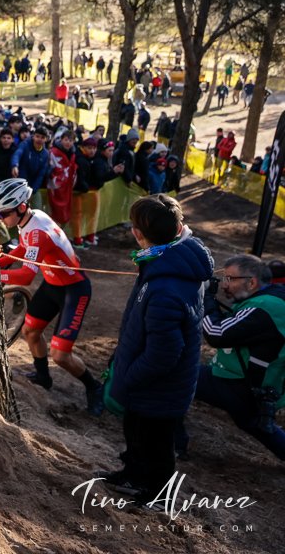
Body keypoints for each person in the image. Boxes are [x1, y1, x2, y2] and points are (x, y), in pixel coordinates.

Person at [96, 194, 212, 502]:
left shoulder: (166, 287)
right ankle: (132, 473)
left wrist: (129, 375)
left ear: (137, 233)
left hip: (159, 384)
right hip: (146, 377)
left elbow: (165, 352)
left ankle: (157, 494)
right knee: (135, 430)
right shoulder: (165, 262)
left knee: (157, 441)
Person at [0, 178, 104, 415]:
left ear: (21, 207)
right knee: (30, 332)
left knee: (61, 355)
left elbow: (25, 276)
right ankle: (43, 377)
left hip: (74, 290)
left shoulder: (38, 232)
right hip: (53, 285)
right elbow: (23, 249)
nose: (0, 219)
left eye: (3, 214)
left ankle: (94, 387)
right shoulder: (32, 218)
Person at [194, 254, 285, 460]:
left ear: (251, 282)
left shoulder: (264, 307)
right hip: (261, 386)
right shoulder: (275, 297)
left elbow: (216, 333)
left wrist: (206, 299)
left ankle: (175, 444)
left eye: (230, 279)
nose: (224, 285)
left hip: (239, 383)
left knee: (176, 375)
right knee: (253, 423)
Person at [10, 126, 51, 209]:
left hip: (33, 187)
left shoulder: (46, 154)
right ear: (33, 136)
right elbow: (17, 154)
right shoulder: (25, 144)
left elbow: (41, 174)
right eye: (37, 136)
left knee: (37, 208)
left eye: (42, 137)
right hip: (19, 184)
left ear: (46, 139)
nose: (39, 139)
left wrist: (33, 190)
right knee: (17, 209)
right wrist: (14, 165)